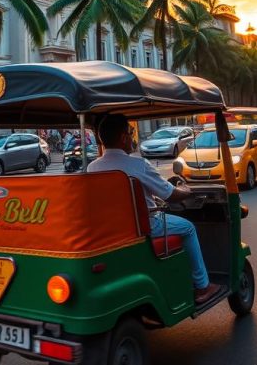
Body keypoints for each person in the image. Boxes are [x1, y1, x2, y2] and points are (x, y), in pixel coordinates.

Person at [88, 114, 221, 304]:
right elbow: (170, 194)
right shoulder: (138, 165)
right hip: (146, 226)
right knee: (189, 228)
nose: (133, 136)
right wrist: (186, 190)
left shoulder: (93, 168)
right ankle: (202, 286)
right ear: (124, 137)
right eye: (131, 132)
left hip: (110, 230)